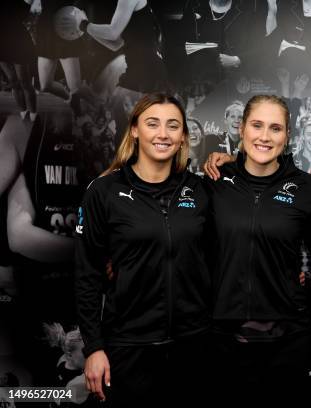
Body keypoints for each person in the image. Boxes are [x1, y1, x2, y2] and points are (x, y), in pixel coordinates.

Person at [74, 93, 212, 407]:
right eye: (153, 124)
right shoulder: (104, 191)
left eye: (172, 126)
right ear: (135, 130)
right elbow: (87, 276)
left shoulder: (200, 190)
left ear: (182, 137)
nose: (163, 134)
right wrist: (93, 348)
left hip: (193, 346)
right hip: (129, 348)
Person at [204, 95, 311, 402]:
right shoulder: (214, 182)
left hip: (287, 338)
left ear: (288, 136)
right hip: (223, 336)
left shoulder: (308, 188)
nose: (265, 137)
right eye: (257, 125)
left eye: (275, 128)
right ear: (241, 129)